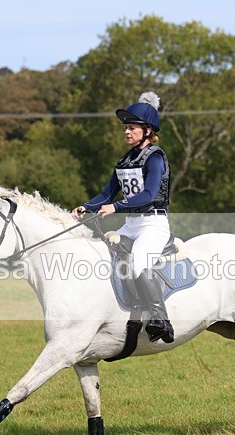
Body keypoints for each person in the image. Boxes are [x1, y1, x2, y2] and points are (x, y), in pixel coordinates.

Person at [71, 91, 174, 343]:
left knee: (138, 263)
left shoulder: (155, 157)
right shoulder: (125, 161)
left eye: (132, 128)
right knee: (103, 258)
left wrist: (116, 208)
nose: (127, 132)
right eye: (126, 128)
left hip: (153, 225)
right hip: (131, 226)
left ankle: (162, 319)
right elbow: (107, 194)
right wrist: (85, 207)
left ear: (147, 130)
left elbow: (149, 194)